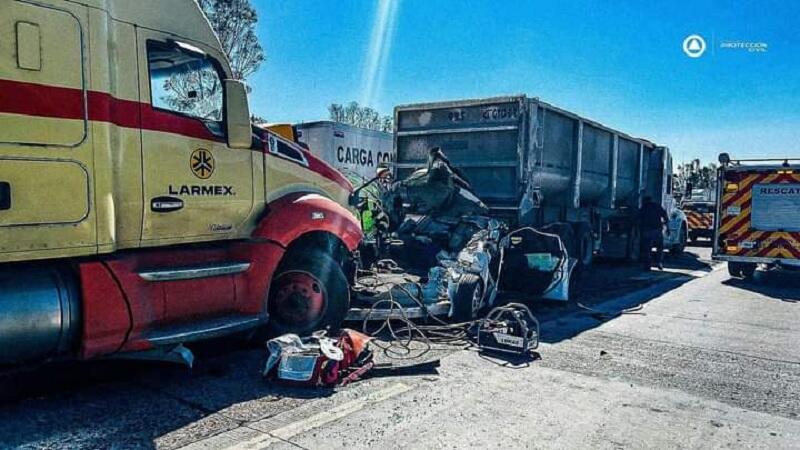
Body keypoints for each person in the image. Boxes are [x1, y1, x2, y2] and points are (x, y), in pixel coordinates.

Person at [639, 196, 668, 270]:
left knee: (647, 248)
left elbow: (639, 218)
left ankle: (647, 265)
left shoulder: (644, 208)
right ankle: (659, 262)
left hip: (647, 230)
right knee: (660, 247)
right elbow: (665, 215)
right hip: (657, 230)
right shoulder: (657, 206)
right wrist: (665, 224)